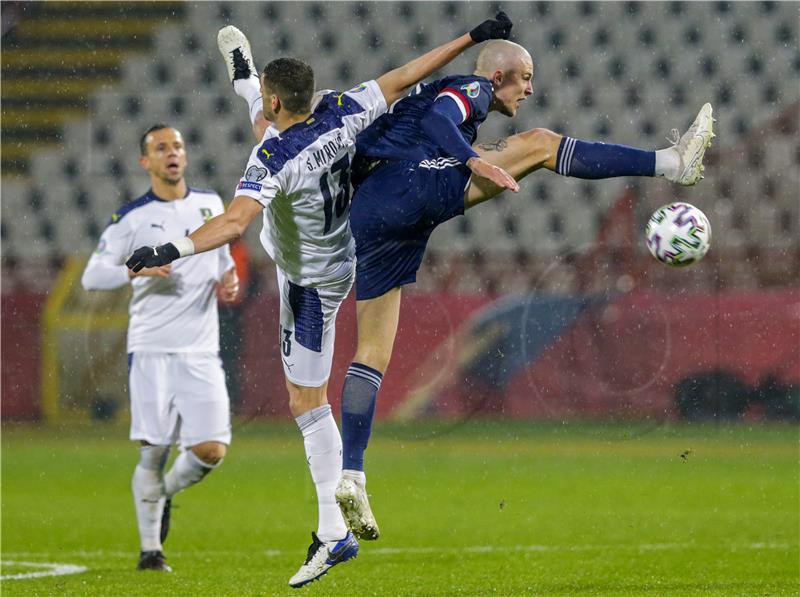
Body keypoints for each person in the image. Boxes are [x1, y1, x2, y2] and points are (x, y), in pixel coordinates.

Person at [223, 29, 716, 543]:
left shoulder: (300, 124)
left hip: (366, 221)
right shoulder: (472, 88)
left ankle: (353, 473)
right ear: (497, 75)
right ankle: (672, 163)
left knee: (371, 353)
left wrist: (244, 80)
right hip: (406, 189)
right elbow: (440, 119)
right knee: (542, 145)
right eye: (524, 79)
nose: (528, 90)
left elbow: (269, 116)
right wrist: (474, 160)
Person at [126, 14, 515, 588]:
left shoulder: (272, 158)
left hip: (310, 282)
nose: (269, 106)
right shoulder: (343, 108)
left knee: (307, 401)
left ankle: (334, 533)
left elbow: (234, 222)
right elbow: (407, 75)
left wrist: (170, 245)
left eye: (266, 96)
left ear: (279, 98)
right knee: (264, 127)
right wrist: (473, 39)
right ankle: (243, 78)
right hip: (347, 245)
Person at [81, 124, 240, 572]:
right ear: (144, 162)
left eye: (177, 146)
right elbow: (92, 277)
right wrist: (134, 273)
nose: (172, 154)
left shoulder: (211, 204)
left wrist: (229, 281)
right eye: (160, 148)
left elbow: (224, 261)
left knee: (212, 451)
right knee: (153, 450)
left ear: (185, 156)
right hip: (151, 350)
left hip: (201, 351)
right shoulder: (131, 218)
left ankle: (163, 494)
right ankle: (151, 552)